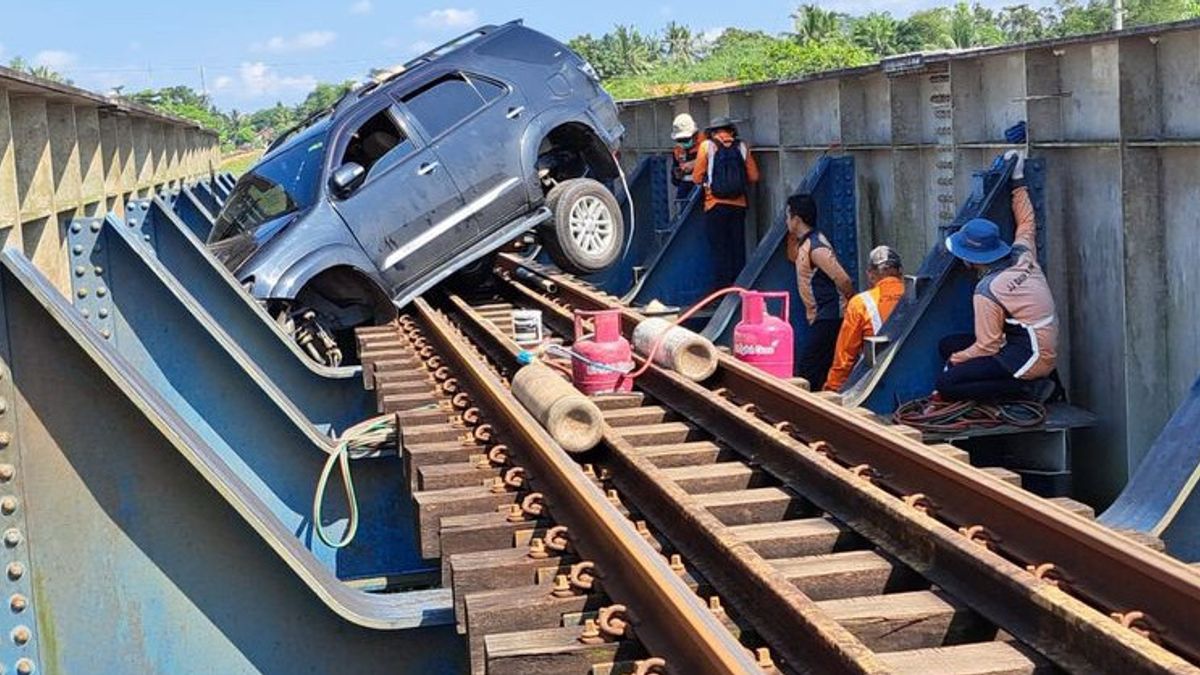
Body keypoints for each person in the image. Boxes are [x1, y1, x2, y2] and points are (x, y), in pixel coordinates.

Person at [937, 149, 1058, 403]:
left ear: (970, 260)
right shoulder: (1023, 255)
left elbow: (988, 346)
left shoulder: (987, 290)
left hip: (1029, 358)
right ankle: (1026, 382)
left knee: (948, 383)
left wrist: (956, 361)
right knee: (949, 343)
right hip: (1033, 344)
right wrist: (1018, 181)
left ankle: (1029, 390)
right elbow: (1026, 223)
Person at [787, 193, 855, 391]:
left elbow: (842, 278)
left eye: (788, 216)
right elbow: (793, 257)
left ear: (797, 219)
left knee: (808, 365)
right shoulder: (805, 243)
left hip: (829, 315)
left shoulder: (817, 247)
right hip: (820, 315)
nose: (786, 221)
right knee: (821, 364)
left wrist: (851, 300)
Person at [824, 245, 905, 392]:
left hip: (876, 379)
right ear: (900, 272)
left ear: (871, 274)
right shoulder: (917, 295)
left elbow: (845, 356)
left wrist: (832, 388)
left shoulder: (860, 303)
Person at [692, 116, 759, 288]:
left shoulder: (707, 146)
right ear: (731, 130)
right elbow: (754, 176)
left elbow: (697, 177)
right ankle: (741, 287)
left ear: (712, 131)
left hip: (715, 205)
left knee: (720, 250)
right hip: (739, 205)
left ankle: (723, 291)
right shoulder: (742, 146)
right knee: (738, 248)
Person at [669, 113, 704, 203]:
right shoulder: (678, 150)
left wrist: (695, 163)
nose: (682, 143)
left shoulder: (706, 144)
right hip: (685, 194)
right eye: (679, 140)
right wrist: (677, 174)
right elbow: (674, 180)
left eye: (685, 139)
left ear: (694, 134)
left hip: (704, 194)